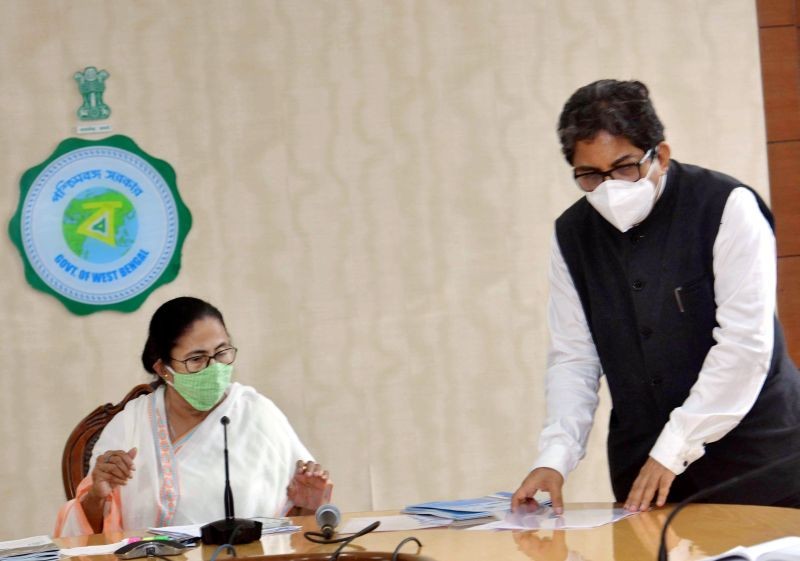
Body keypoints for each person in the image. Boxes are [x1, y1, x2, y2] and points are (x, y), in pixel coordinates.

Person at [511, 79, 800, 515]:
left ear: (659, 156)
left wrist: (674, 448)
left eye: (624, 167)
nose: (609, 187)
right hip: (645, 474)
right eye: (589, 175)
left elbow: (745, 346)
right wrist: (556, 457)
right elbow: (575, 357)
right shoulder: (571, 234)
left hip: (760, 463)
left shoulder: (726, 206)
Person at [55, 296, 332, 536]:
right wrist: (96, 496)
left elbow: (296, 531)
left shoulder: (257, 413)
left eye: (222, 352)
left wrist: (308, 504)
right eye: (197, 359)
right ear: (164, 369)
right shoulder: (130, 425)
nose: (214, 368)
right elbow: (85, 538)